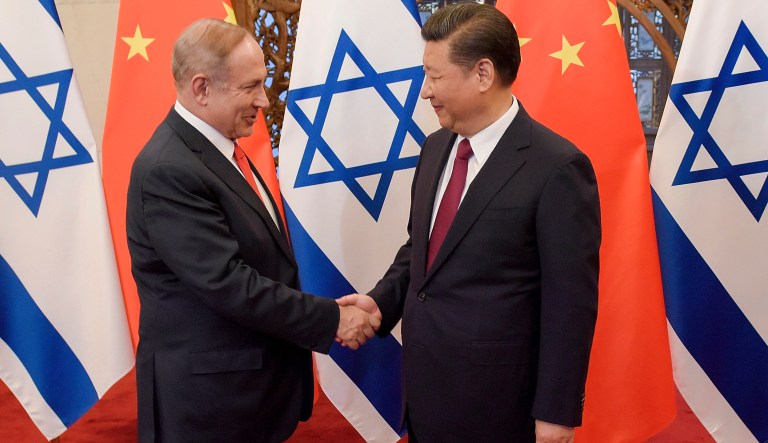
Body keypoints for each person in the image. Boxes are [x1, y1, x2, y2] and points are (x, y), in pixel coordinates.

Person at [337, 3, 601, 442]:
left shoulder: (557, 167)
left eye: (434, 76)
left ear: (483, 74)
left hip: (501, 409)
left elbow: (570, 304)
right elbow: (421, 250)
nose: (425, 91)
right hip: (425, 397)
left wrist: (556, 413)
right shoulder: (435, 148)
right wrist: (381, 303)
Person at [126, 18, 380, 443]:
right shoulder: (169, 169)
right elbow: (228, 283)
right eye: (251, 87)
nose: (264, 99)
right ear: (202, 88)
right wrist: (332, 318)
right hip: (209, 407)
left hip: (246, 395)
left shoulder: (218, 150)